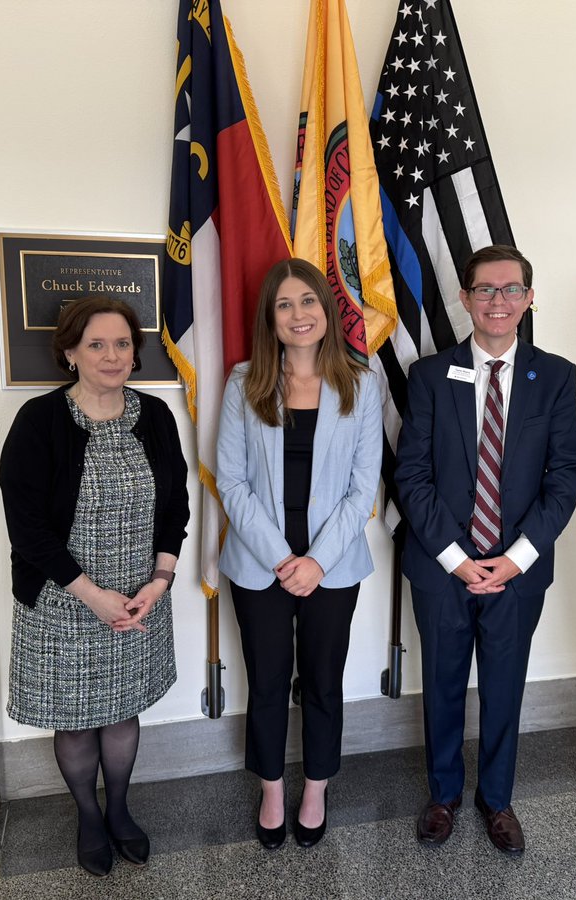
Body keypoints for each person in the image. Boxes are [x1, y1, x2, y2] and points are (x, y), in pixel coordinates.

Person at [395, 244, 576, 856]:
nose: (498, 301)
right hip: (441, 568)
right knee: (443, 683)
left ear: (530, 298)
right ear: (465, 298)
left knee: (505, 687)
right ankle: (444, 794)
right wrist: (456, 557)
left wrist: (516, 557)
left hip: (517, 571)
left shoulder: (555, 376)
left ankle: (496, 799)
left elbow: (565, 476)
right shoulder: (428, 375)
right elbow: (411, 476)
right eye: (485, 290)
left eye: (511, 290)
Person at [0, 296, 189, 877]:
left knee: (123, 709)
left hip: (138, 599)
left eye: (123, 344)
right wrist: (91, 594)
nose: (112, 355)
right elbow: (26, 527)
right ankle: (87, 813)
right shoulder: (39, 420)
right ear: (70, 353)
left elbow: (174, 507)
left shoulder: (154, 415)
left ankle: (121, 808)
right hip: (64, 602)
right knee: (77, 718)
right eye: (97, 344)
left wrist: (160, 580)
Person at [216, 258, 382, 851]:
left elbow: (364, 487)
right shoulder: (244, 383)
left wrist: (315, 562)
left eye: (307, 301)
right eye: (285, 305)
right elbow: (231, 482)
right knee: (265, 682)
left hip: (333, 567)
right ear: (271, 317)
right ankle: (271, 791)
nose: (298, 314)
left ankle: (315, 788)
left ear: (326, 310)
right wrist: (283, 557)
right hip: (258, 564)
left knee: (321, 682)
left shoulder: (362, 383)